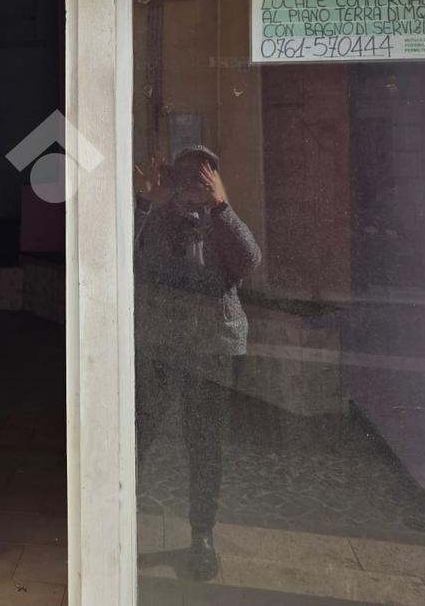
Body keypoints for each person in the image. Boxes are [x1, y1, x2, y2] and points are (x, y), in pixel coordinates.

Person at [133, 145, 262, 581]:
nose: (191, 185)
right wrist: (146, 202)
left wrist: (220, 206)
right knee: (138, 436)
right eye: (183, 175)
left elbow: (248, 261)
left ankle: (202, 535)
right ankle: (120, 522)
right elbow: (123, 256)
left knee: (205, 447)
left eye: (201, 176)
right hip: (159, 344)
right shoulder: (157, 214)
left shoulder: (220, 220)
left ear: (214, 180)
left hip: (210, 349)